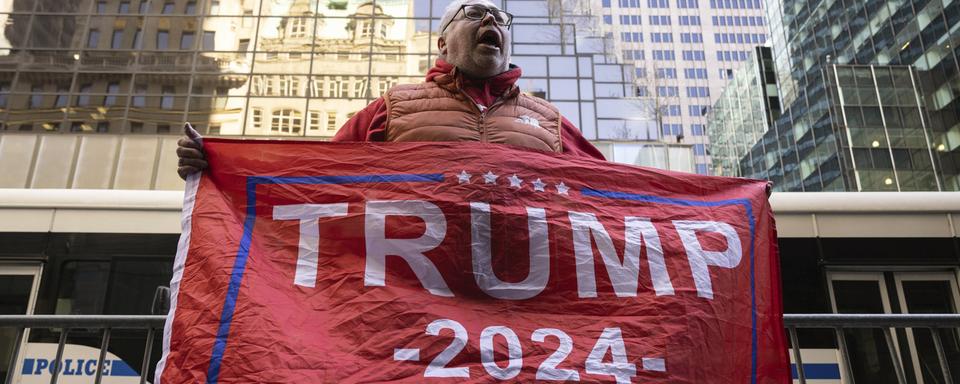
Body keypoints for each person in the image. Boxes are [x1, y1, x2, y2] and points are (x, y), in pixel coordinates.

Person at [177, 0, 604, 180]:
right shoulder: (393, 107)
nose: (491, 20)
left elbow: (617, 192)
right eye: (474, 13)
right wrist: (220, 166)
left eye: (499, 18)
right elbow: (318, 174)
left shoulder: (549, 121)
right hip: (414, 300)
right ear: (442, 43)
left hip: (521, 306)